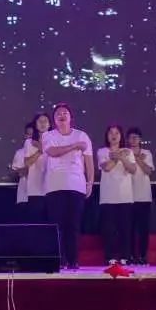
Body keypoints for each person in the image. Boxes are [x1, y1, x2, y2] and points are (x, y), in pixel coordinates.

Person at [42, 103, 94, 270]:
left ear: (71, 117)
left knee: (73, 224)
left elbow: (89, 161)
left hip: (76, 184)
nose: (62, 115)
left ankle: (73, 260)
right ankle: (59, 259)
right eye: (58, 113)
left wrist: (90, 182)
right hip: (54, 186)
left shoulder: (82, 135)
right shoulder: (48, 135)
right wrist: (74, 146)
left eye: (65, 113)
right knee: (57, 225)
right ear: (54, 119)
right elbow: (52, 152)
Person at [97, 125, 136, 266]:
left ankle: (125, 256)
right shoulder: (102, 151)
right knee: (109, 230)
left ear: (121, 136)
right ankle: (110, 257)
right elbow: (107, 167)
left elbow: (132, 169)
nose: (114, 135)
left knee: (125, 229)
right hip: (108, 197)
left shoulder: (128, 152)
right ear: (107, 136)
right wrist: (119, 157)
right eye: (111, 133)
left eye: (117, 133)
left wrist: (121, 157)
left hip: (125, 196)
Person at [127, 128, 155, 265]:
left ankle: (143, 256)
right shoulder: (125, 153)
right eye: (130, 137)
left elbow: (148, 170)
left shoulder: (146, 153)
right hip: (127, 196)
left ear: (140, 139)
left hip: (144, 196)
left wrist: (137, 158)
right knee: (130, 229)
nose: (133, 140)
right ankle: (132, 256)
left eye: (136, 137)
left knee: (143, 229)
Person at [23, 113, 52, 223]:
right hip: (35, 189)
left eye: (45, 121)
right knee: (37, 223)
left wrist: (41, 146)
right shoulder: (29, 142)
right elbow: (27, 163)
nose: (43, 123)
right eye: (40, 121)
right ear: (35, 124)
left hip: (52, 188)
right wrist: (39, 151)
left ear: (49, 124)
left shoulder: (56, 141)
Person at [12, 124, 36, 220]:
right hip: (24, 196)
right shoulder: (20, 153)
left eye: (33, 135)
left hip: (41, 195)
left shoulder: (45, 151)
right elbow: (20, 172)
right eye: (28, 134)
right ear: (25, 135)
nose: (30, 137)